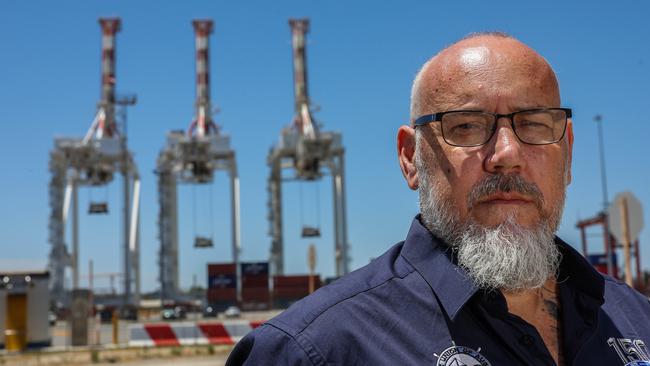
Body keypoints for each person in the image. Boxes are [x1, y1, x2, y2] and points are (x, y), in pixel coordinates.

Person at [227, 33, 650, 365]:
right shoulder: (315, 350)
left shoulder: (638, 321)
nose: (507, 155)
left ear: (568, 153)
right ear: (411, 158)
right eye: (466, 126)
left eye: (535, 125)